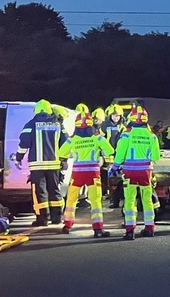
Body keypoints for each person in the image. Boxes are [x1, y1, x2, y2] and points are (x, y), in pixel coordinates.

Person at [13, 99, 68, 227]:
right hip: (54, 164)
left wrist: (18, 158)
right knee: (54, 190)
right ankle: (57, 217)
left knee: (40, 192)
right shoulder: (58, 124)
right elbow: (65, 144)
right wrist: (63, 160)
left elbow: (23, 144)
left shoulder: (30, 124)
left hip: (37, 166)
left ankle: (43, 219)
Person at [58, 113, 115, 236]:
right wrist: (100, 152)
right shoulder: (97, 137)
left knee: (71, 199)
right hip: (92, 173)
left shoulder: (73, 138)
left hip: (77, 174)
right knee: (95, 201)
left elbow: (61, 152)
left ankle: (67, 225)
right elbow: (110, 150)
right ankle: (98, 229)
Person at [114, 106, 160, 240]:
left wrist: (115, 166)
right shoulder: (151, 135)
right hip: (145, 172)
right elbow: (156, 156)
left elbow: (120, 152)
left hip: (130, 172)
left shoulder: (127, 134)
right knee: (147, 200)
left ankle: (130, 231)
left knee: (130, 200)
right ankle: (149, 229)